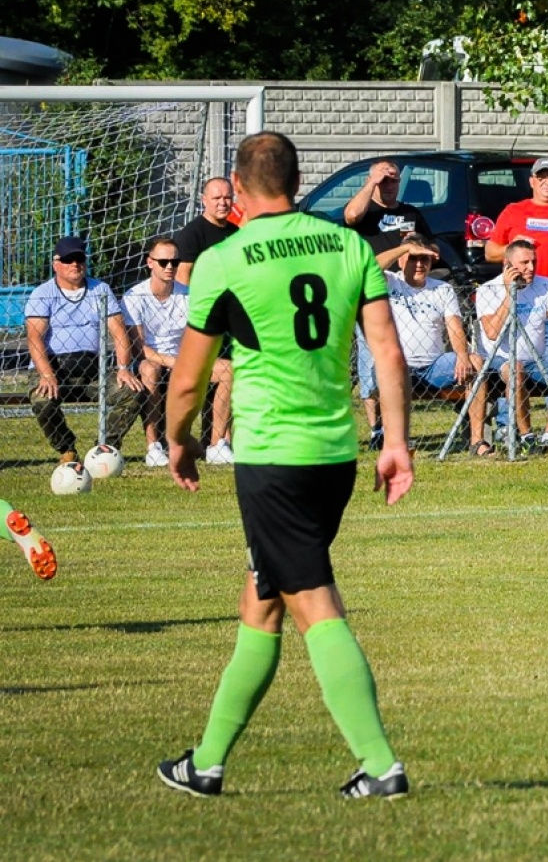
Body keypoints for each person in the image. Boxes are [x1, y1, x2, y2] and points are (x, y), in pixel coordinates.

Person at [158, 131, 414, 800]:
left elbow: (187, 380)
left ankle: (381, 763)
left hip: (273, 459)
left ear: (239, 190)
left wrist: (177, 439)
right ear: (298, 183)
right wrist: (395, 440)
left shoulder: (224, 258)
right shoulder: (348, 245)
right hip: (335, 456)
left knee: (314, 602)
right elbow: (387, 351)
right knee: (262, 601)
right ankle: (206, 763)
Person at [25, 236, 144, 463]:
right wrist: (46, 374)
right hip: (54, 369)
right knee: (42, 401)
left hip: (93, 371)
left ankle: (103, 449)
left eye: (79, 259)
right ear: (56, 264)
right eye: (68, 260)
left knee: (133, 393)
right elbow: (34, 338)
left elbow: (119, 332)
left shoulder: (101, 289)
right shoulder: (42, 294)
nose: (75, 264)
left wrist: (123, 368)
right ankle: (66, 449)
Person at [122, 236, 234, 467]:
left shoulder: (189, 294)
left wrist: (189, 359)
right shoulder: (134, 296)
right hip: (151, 360)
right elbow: (139, 348)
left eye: (175, 262)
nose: (170, 267)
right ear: (150, 262)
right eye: (163, 262)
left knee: (228, 370)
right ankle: (154, 447)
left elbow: (199, 337)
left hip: (184, 360)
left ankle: (217, 444)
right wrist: (172, 361)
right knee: (150, 370)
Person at [356, 234, 475, 448]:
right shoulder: (389, 281)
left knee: (476, 362)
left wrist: (463, 356)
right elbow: (369, 266)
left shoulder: (442, 289)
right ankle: (396, 440)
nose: (419, 264)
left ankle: (478, 440)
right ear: (401, 260)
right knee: (389, 368)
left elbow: (455, 328)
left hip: (433, 367)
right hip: (398, 367)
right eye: (413, 258)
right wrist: (405, 248)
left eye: (424, 259)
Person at [470, 239, 548, 454]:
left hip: (536, 360)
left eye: (534, 262)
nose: (531, 268)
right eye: (524, 263)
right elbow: (492, 332)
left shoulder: (544, 284)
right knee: (516, 370)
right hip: (499, 361)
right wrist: (509, 293)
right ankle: (527, 437)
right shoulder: (488, 290)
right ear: (507, 265)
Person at [485, 157, 548, 284]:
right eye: (541, 178)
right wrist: (513, 248)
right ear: (531, 182)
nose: (547, 182)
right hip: (520, 288)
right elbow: (490, 254)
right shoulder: (512, 211)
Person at [342, 159, 431, 255]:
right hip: (374, 264)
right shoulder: (363, 210)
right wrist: (372, 182)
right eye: (383, 181)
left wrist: (418, 243)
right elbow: (352, 216)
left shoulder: (411, 212)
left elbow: (433, 247)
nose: (389, 187)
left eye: (394, 181)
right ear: (370, 180)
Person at [174, 177, 238, 286]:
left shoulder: (236, 232)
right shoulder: (192, 233)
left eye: (227, 197)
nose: (222, 203)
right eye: (216, 198)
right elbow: (182, 275)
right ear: (204, 200)